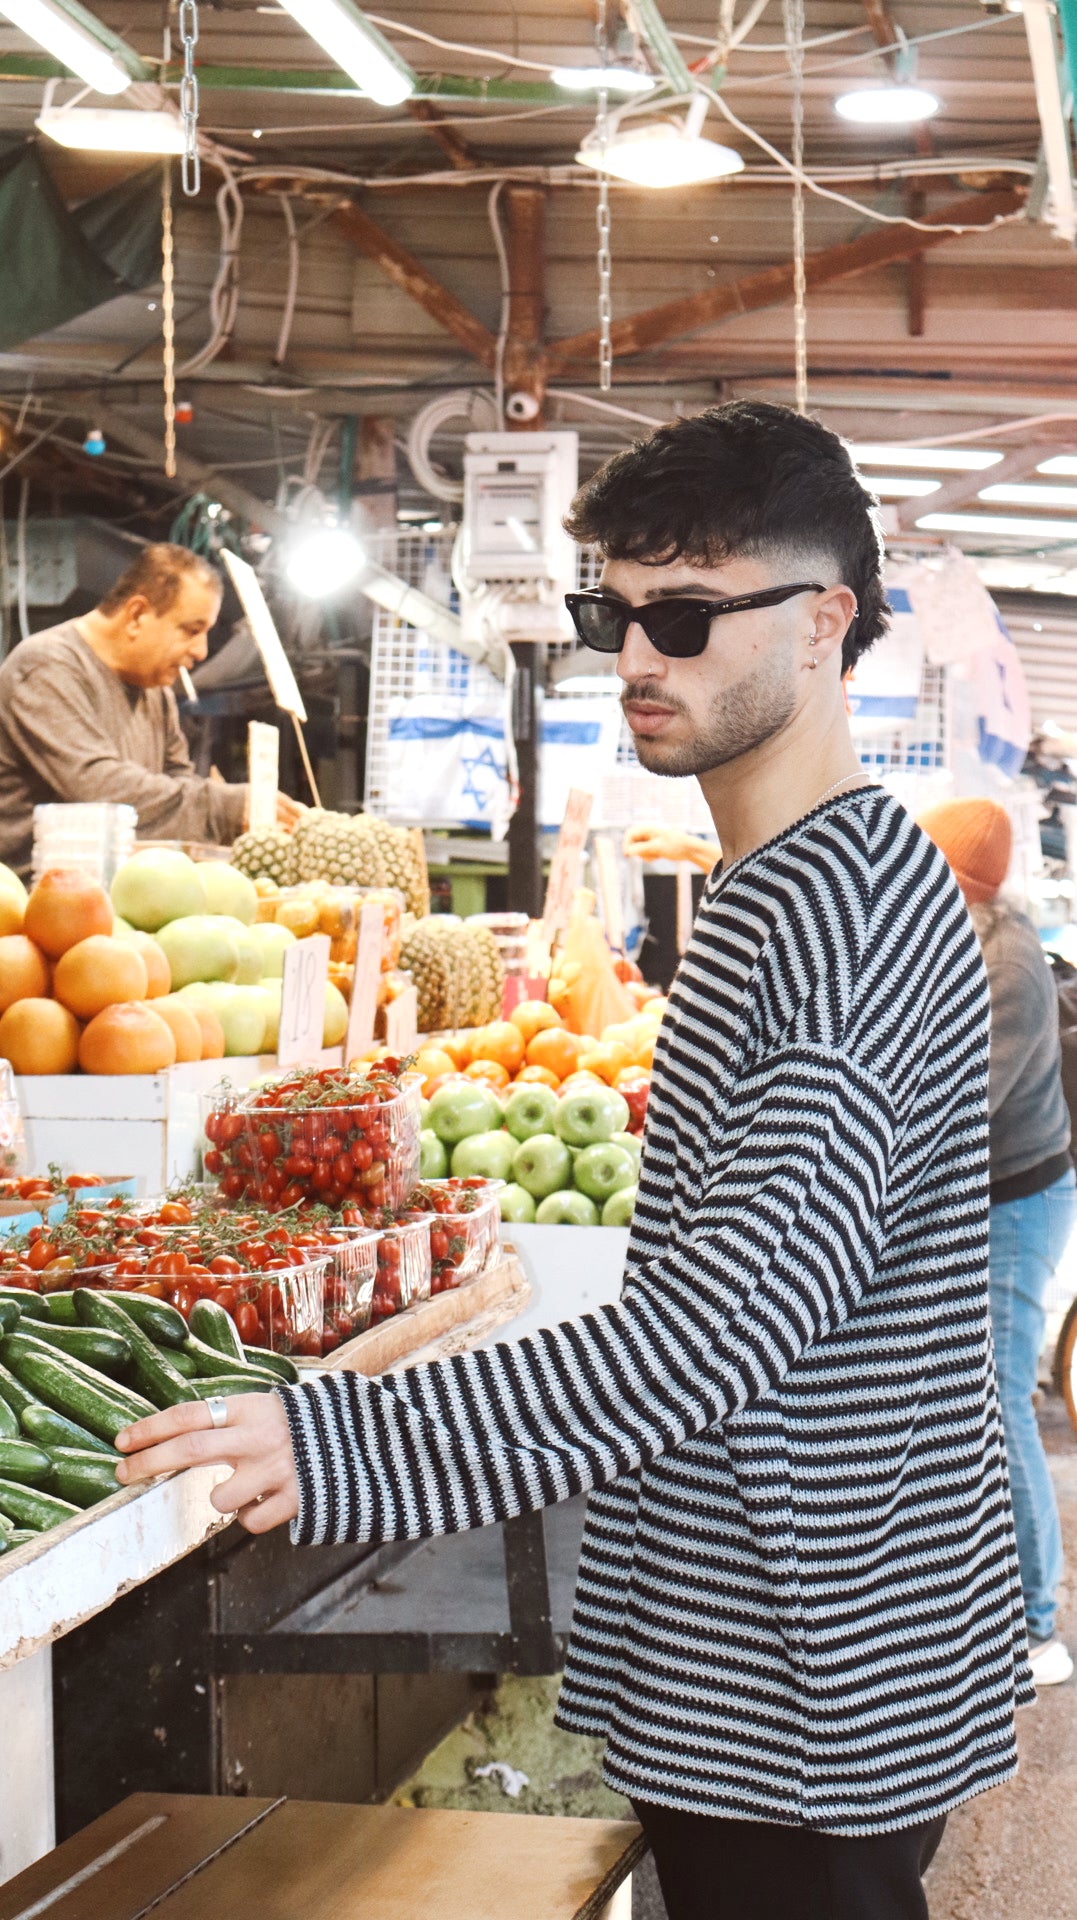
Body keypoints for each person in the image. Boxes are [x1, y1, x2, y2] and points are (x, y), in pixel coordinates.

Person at [115, 403, 1032, 1920]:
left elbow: (722, 1325)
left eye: (686, 617)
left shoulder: (848, 915)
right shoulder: (781, 887)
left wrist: (340, 1444)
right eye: (619, 616)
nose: (637, 659)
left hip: (804, 1681)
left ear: (825, 624)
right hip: (767, 1648)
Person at [919, 796, 1075, 1690]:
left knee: (1000, 1400)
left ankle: (1034, 1626)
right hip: (986, 1198)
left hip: (1018, 1203)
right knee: (971, 1399)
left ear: (963, 886)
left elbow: (959, 1103)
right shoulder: (957, 938)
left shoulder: (1005, 961)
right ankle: (983, 1601)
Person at [0, 542, 303, 877]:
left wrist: (232, 811)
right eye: (191, 630)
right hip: (35, 896)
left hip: (123, 892)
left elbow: (178, 785)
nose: (201, 651)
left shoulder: (155, 689)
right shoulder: (46, 668)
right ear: (136, 615)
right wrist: (224, 807)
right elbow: (98, 789)